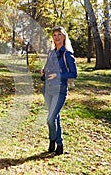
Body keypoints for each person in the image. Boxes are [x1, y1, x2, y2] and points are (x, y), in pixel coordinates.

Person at [41, 26, 77, 155]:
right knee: (55, 117)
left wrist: (58, 75)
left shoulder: (67, 54)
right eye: (54, 35)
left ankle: (56, 141)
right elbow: (47, 69)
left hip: (60, 90)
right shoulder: (51, 53)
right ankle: (56, 144)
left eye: (59, 34)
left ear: (64, 37)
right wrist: (44, 72)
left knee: (50, 119)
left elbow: (74, 74)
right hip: (47, 89)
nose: (57, 37)